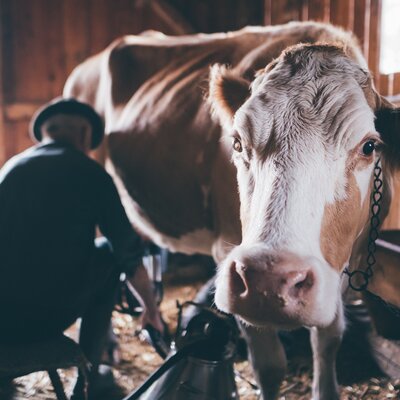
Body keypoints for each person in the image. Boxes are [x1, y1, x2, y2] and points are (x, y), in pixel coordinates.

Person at [0, 97, 164, 399]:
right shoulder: (94, 175)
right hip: (50, 318)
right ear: (84, 134)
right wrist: (151, 310)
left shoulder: (10, 169)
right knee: (107, 252)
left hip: (3, 319)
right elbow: (128, 254)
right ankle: (86, 377)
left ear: (46, 132)